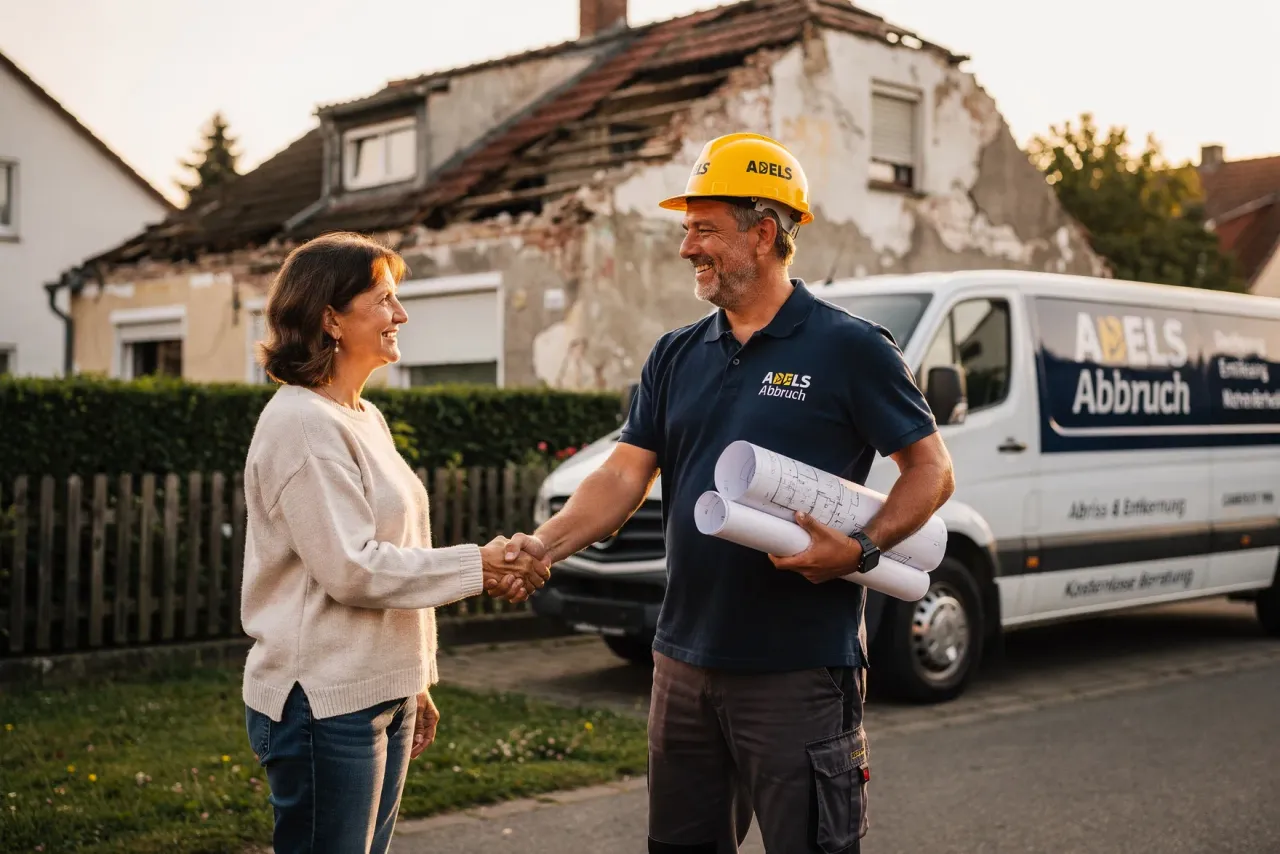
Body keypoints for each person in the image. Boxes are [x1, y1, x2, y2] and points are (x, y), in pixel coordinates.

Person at [505, 133, 955, 853]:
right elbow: (623, 475)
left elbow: (931, 470)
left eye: (704, 228)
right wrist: (543, 546)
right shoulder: (676, 353)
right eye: (686, 229)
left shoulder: (850, 348)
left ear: (764, 232)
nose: (687, 247)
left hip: (798, 668)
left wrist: (862, 548)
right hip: (682, 661)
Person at [239, 231, 549, 854]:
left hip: (379, 689)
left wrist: (414, 677)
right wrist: (480, 566)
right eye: (383, 299)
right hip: (323, 703)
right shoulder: (301, 424)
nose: (400, 315)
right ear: (330, 317)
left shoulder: (362, 417)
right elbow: (353, 569)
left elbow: (395, 545)